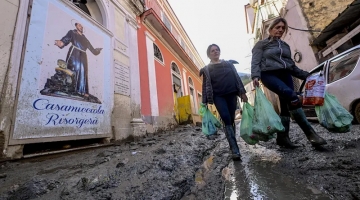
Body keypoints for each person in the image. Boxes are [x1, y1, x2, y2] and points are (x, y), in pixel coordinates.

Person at [251, 18, 326, 148]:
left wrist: (307, 76)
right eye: (277, 27)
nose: (280, 30)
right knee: (292, 96)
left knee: (286, 107)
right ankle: (311, 135)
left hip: (285, 75)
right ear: (271, 29)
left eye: (283, 28)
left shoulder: (285, 46)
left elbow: (291, 66)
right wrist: (255, 76)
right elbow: (255, 61)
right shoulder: (261, 44)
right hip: (269, 75)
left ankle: (282, 138)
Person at [200, 44, 248, 160]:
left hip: (231, 93)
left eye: (217, 50)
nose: (215, 52)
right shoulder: (207, 69)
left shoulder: (228, 64)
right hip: (218, 96)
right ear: (209, 54)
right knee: (226, 118)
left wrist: (242, 92)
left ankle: (233, 141)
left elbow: (237, 78)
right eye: (212, 51)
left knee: (231, 118)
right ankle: (234, 149)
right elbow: (205, 86)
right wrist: (204, 101)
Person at [55, 22, 102, 97]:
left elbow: (92, 49)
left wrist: (97, 50)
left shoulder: (85, 38)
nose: (81, 27)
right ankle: (70, 88)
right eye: (79, 25)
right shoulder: (72, 33)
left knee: (83, 73)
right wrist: (61, 42)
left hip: (83, 56)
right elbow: (65, 39)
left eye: (82, 26)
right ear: (76, 26)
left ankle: (82, 91)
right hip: (74, 54)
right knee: (73, 70)